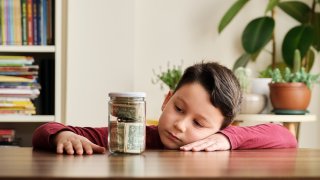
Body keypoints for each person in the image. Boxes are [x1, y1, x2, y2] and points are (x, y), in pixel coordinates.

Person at [32, 62, 297, 155]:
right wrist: (62, 136)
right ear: (167, 99)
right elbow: (45, 129)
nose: (180, 125)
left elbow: (285, 136)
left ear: (219, 131)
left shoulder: (223, 144)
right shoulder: (131, 137)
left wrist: (229, 139)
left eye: (199, 124)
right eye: (179, 109)